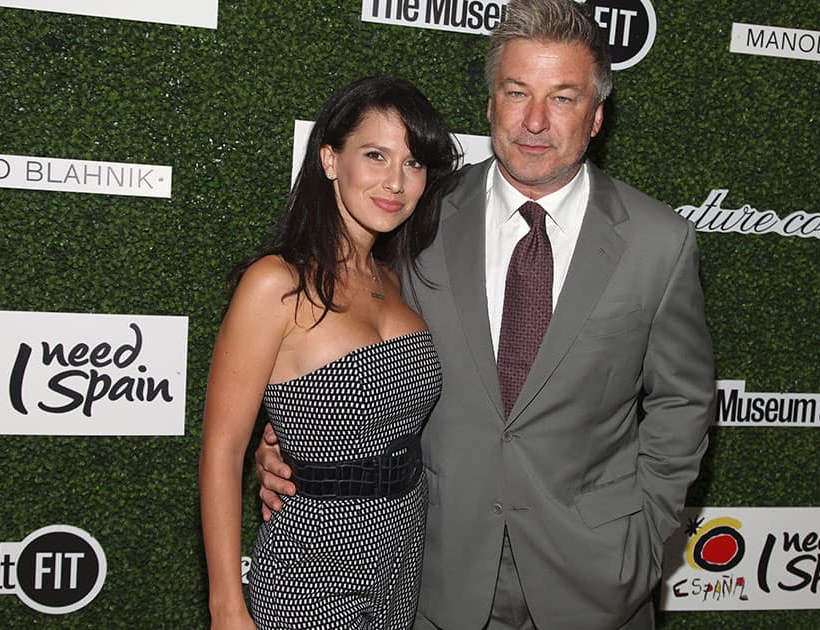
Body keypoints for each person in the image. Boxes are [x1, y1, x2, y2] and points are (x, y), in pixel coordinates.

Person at [257, 1, 716, 628]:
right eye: (516, 91)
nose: (533, 121)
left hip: (598, 581)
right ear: (491, 103)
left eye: (562, 98)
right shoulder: (415, 214)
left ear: (598, 115)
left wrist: (646, 536)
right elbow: (341, 345)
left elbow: (682, 402)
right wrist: (290, 443)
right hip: (432, 572)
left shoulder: (660, 242)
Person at [199, 76, 460, 629]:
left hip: (402, 553)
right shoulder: (276, 283)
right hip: (311, 566)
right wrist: (226, 605)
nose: (396, 182)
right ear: (329, 159)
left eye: (413, 164)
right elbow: (223, 452)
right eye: (375, 155)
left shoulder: (396, 281)